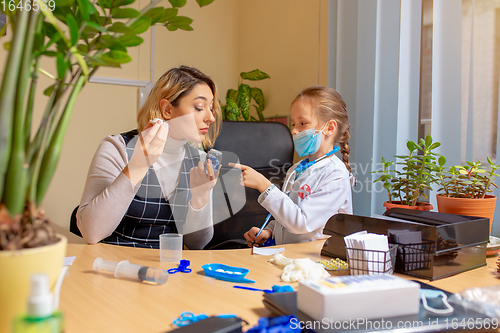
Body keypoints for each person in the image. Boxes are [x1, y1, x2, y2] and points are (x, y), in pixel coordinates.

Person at [77, 66, 222, 249]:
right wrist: (138, 165)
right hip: (113, 267)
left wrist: (201, 197)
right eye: (200, 107)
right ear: (168, 109)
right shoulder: (118, 149)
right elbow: (91, 232)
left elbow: (196, 244)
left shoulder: (199, 161)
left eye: (211, 108)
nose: (210, 117)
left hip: (169, 271)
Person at [233, 86, 353, 246]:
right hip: (292, 257)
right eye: (294, 123)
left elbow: (301, 222)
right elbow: (288, 213)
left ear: (329, 128)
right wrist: (269, 231)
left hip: (317, 261)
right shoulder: (295, 170)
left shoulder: (335, 174)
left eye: (303, 123)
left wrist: (265, 186)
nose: (294, 130)